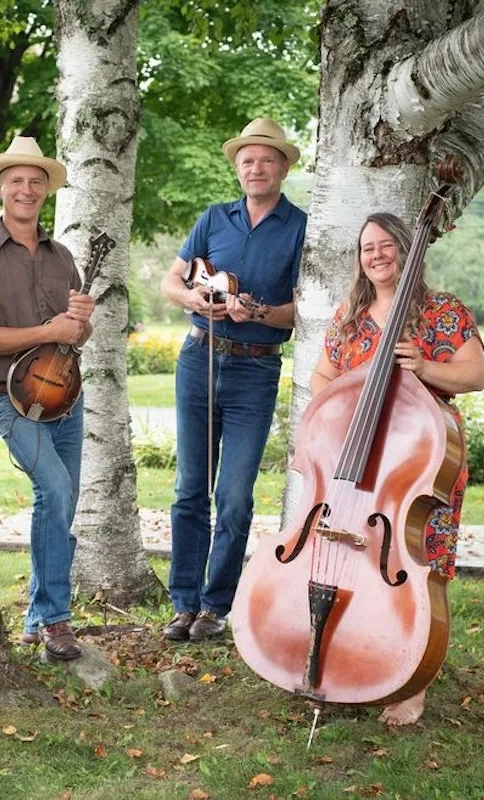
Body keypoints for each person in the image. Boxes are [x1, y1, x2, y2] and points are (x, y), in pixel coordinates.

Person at [311, 211, 484, 725]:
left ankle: (413, 681)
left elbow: (477, 370)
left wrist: (427, 368)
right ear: (359, 260)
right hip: (358, 466)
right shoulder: (349, 316)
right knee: (357, 568)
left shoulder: (440, 312)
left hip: (420, 467)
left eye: (387, 245)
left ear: (407, 251)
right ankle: (354, 661)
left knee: (422, 572)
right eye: (368, 248)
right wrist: (340, 402)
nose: (377, 254)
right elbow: (323, 378)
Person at [160, 118, 307, 642]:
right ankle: (183, 604)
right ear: (237, 167)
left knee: (236, 495)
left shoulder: (301, 226)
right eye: (247, 160)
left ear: (284, 167)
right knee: (189, 490)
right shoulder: (213, 218)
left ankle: (215, 606)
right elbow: (170, 280)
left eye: (267, 159)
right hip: (198, 359)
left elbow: (301, 312)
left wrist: (260, 312)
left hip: (255, 367)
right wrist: (195, 299)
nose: (256, 167)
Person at [0, 136, 95, 660]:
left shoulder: (63, 256)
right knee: (56, 493)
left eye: (35, 181)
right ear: (1, 188)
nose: (26, 189)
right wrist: (49, 327)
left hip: (67, 396)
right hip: (12, 398)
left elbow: (76, 334)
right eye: (16, 180)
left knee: (60, 503)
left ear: (46, 191)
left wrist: (78, 325)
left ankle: (35, 616)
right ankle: (57, 622)